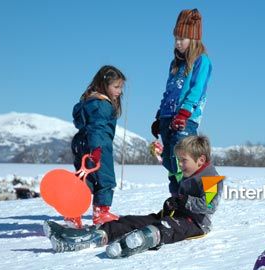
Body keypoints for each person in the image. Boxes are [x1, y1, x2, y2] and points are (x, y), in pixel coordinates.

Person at [45, 135, 222, 258]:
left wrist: (184, 201)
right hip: (177, 216)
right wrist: (173, 203)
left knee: (165, 226)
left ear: (200, 159)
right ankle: (88, 236)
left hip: (196, 225)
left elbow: (209, 206)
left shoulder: (211, 178)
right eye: (179, 160)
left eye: (184, 160)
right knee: (132, 220)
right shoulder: (191, 172)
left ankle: (137, 241)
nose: (180, 164)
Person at [151, 8, 212, 196]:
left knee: (184, 163)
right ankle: (177, 203)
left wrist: (184, 113)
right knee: (171, 165)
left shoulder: (202, 61)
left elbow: (197, 89)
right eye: (176, 38)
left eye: (182, 39)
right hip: (168, 118)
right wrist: (159, 116)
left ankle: (194, 204)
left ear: (193, 39)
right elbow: (169, 91)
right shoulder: (176, 63)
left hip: (185, 119)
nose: (178, 43)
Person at [70, 65, 126, 228]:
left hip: (82, 144)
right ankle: (101, 212)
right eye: (116, 87)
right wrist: (97, 150)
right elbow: (97, 129)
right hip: (97, 145)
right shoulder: (102, 105)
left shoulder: (88, 102)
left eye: (121, 87)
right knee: (105, 178)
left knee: (84, 179)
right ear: (104, 85)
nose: (119, 91)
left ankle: (73, 212)